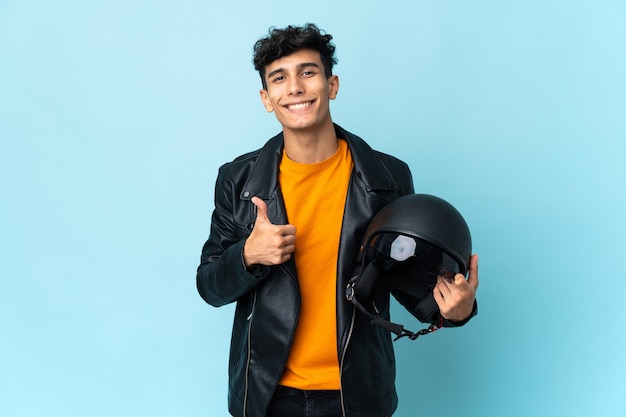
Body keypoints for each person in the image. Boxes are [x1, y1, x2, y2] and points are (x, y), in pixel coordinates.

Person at [196, 23, 479, 417]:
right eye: (280, 78)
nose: (294, 87)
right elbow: (209, 286)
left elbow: (404, 278)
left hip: (358, 394)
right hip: (268, 395)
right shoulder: (237, 179)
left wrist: (456, 310)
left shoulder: (387, 177)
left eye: (308, 72)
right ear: (266, 97)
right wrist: (248, 255)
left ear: (332, 85)